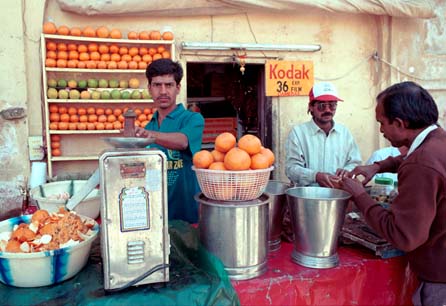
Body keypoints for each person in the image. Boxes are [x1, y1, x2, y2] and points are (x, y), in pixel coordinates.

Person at [339, 81, 446, 306]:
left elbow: (404, 236)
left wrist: (360, 196)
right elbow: (413, 158)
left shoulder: (421, 164)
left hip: (440, 280)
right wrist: (378, 166)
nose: (380, 130)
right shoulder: (438, 139)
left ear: (399, 123)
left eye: (382, 123)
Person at [134, 59, 205, 223]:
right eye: (157, 85)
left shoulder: (193, 119)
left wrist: (147, 135)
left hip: (188, 215)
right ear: (150, 89)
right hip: (157, 213)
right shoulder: (149, 125)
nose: (163, 91)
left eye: (169, 85)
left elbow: (182, 142)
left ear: (178, 88)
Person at [285, 82, 362, 187]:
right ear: (311, 107)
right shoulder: (298, 133)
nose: (327, 110)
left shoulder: (344, 133)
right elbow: (291, 169)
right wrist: (315, 176)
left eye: (332, 105)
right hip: (308, 197)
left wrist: (346, 172)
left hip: (338, 195)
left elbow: (355, 163)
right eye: (322, 106)